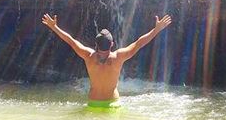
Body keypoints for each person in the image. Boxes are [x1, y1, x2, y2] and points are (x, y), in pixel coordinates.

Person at [41, 13, 172, 108]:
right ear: (112, 44)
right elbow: (139, 43)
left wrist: (54, 27)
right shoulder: (118, 57)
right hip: (113, 106)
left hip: (93, 105)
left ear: (96, 45)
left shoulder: (88, 56)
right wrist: (156, 29)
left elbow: (71, 41)